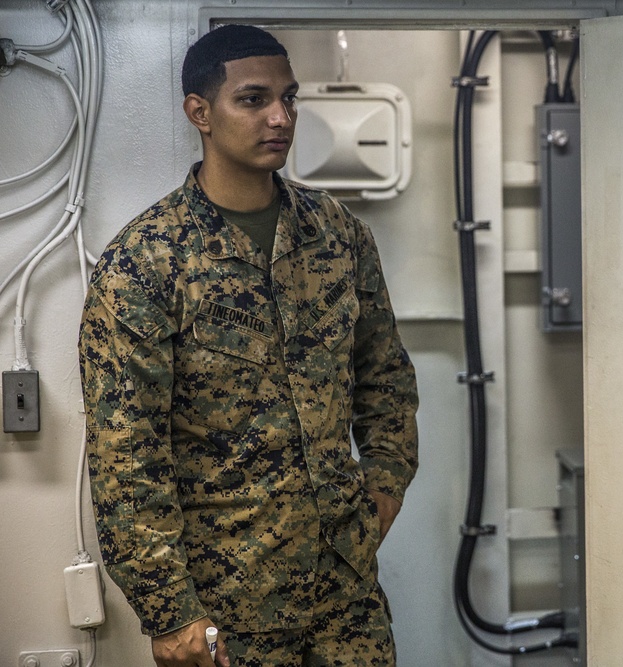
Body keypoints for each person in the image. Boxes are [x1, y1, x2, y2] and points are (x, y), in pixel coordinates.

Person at [79, 24, 418, 667]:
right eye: (254, 99)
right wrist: (168, 609)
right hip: (227, 607)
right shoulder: (146, 261)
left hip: (345, 599)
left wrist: (383, 492)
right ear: (199, 113)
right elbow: (126, 452)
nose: (279, 117)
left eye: (289, 99)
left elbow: (387, 381)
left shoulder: (337, 235)